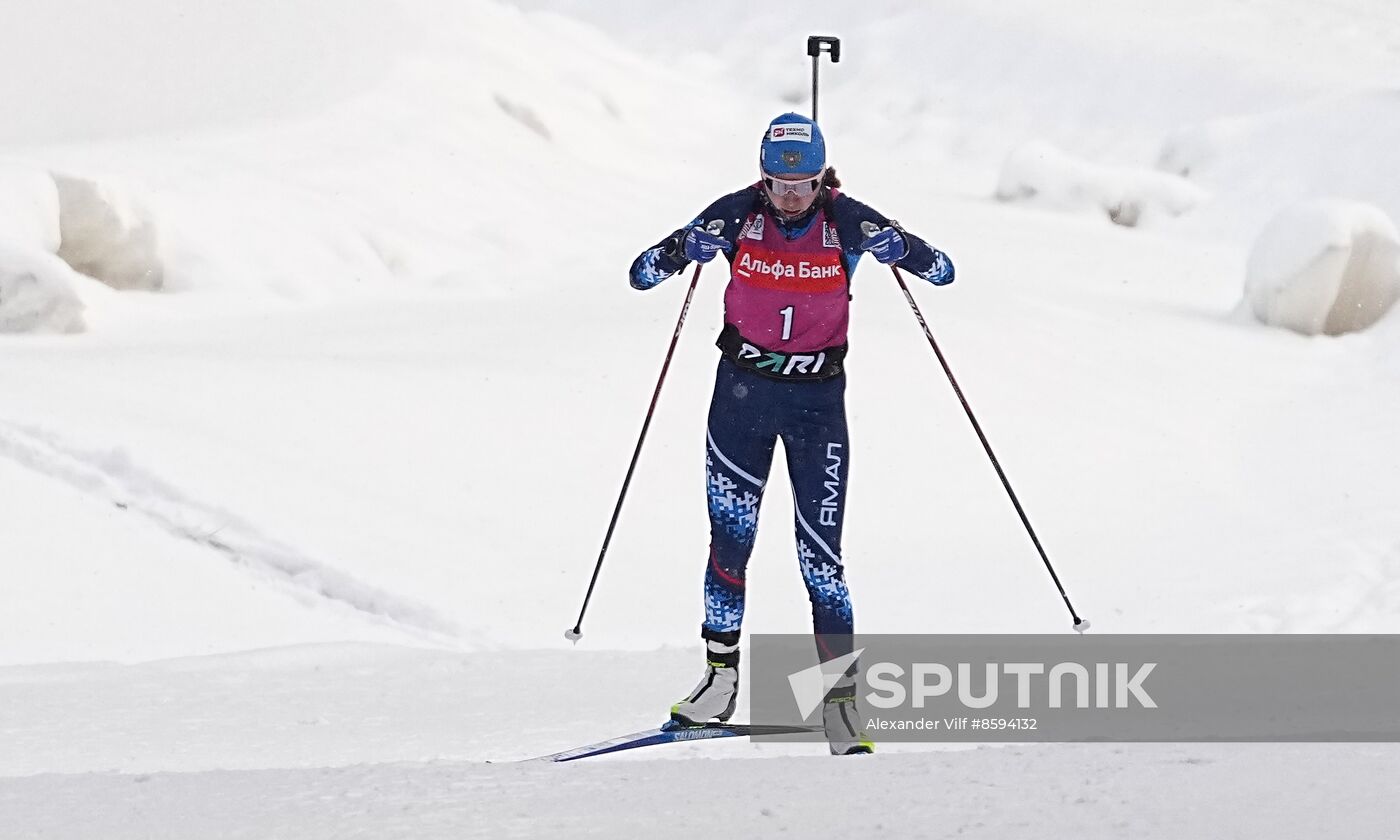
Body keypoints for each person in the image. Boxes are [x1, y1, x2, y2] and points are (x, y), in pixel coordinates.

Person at [628, 113, 954, 755]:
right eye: (778, 183)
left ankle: (841, 702)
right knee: (730, 544)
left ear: (822, 176)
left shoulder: (849, 221)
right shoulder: (735, 215)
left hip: (816, 410)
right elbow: (640, 274)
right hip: (741, 397)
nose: (790, 197)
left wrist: (901, 251)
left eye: (803, 183)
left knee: (822, 559)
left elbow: (942, 271)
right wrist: (681, 250)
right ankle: (719, 683)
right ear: (762, 176)